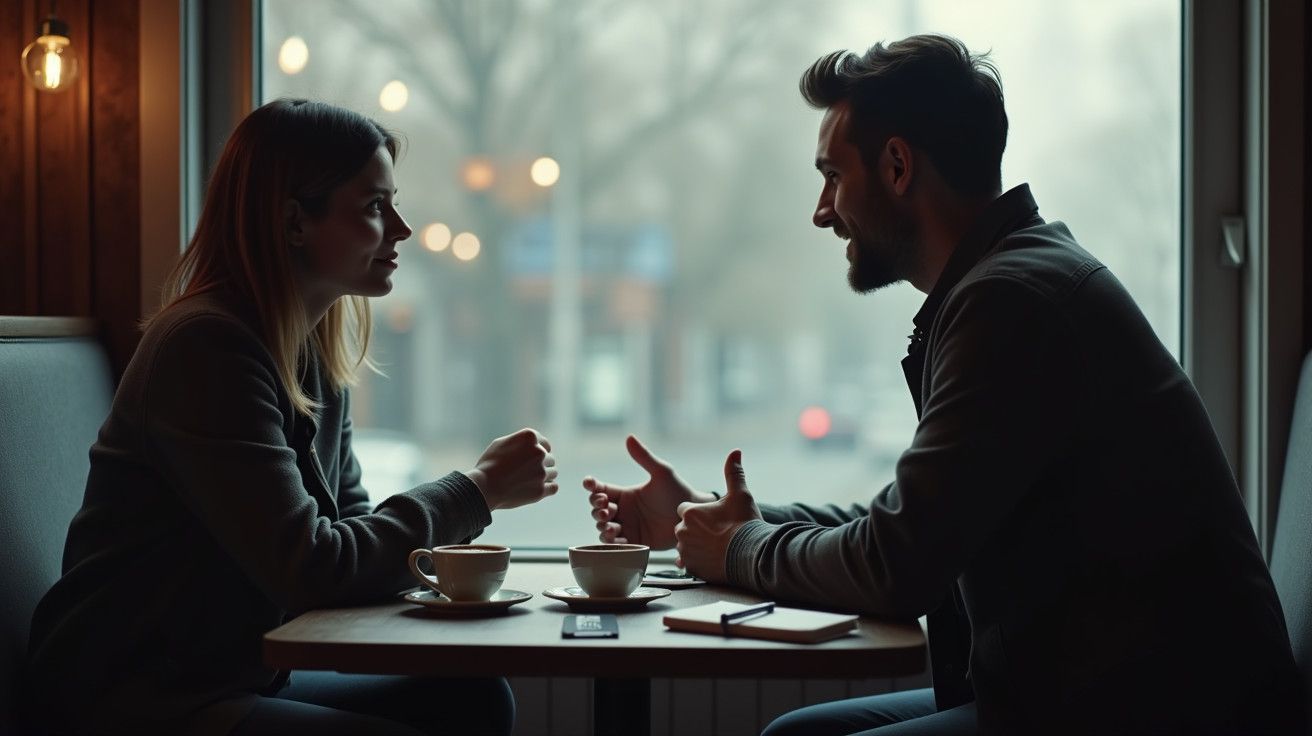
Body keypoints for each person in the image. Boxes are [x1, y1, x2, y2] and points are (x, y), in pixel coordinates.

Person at [585, 35, 1302, 735]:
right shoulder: (1014, 281)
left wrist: (740, 549)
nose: (821, 210)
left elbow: (899, 564)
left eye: (833, 176)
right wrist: (706, 517)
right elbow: (907, 523)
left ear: (897, 166)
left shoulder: (1013, 304)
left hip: (1155, 715)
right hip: (1099, 697)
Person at [26, 99, 557, 736]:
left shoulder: (311, 354)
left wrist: (456, 530)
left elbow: (352, 534)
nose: (403, 229)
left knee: (473, 699)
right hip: (141, 691)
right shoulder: (205, 349)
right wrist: (476, 491)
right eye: (373, 207)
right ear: (294, 222)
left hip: (230, 672)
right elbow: (314, 568)